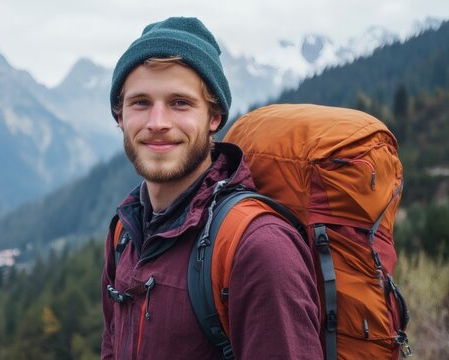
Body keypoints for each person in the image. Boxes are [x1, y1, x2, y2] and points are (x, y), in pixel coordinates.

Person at [101, 17, 322, 359]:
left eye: (180, 103)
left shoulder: (258, 247)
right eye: (141, 103)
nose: (158, 123)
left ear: (214, 117)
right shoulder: (124, 234)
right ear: (120, 117)